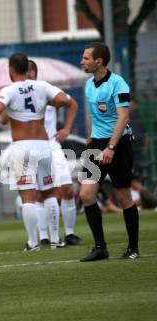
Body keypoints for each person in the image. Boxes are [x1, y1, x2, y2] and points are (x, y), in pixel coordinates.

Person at [0, 53, 77, 251]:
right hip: (43, 145)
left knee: (27, 196)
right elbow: (66, 100)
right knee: (49, 191)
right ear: (28, 69)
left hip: (22, 147)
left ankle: (33, 242)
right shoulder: (42, 86)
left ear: (11, 69)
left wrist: (5, 106)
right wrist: (49, 104)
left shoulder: (9, 90)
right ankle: (55, 239)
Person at [79, 42, 139, 261]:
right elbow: (92, 115)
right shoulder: (88, 85)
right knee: (86, 194)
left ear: (99, 61)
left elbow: (123, 117)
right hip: (96, 143)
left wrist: (111, 147)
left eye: (86, 58)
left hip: (118, 143)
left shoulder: (118, 83)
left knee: (124, 197)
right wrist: (90, 141)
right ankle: (100, 247)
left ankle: (133, 248)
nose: (82, 61)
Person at [26, 60, 83, 248]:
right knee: (39, 194)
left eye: (28, 72)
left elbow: (72, 103)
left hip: (51, 145)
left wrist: (66, 128)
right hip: (30, 148)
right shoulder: (17, 93)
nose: (25, 76)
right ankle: (43, 237)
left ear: (34, 72)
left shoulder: (47, 90)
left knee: (67, 189)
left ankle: (70, 233)